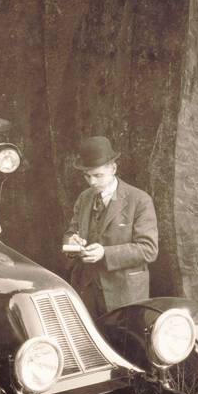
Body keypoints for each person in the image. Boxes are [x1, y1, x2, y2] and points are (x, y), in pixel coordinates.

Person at [62, 136, 158, 318]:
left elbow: (149, 250)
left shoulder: (139, 200)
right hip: (86, 291)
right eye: (87, 176)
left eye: (98, 175)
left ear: (113, 168)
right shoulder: (84, 198)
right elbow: (70, 232)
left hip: (124, 295)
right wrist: (72, 242)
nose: (92, 182)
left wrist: (105, 253)